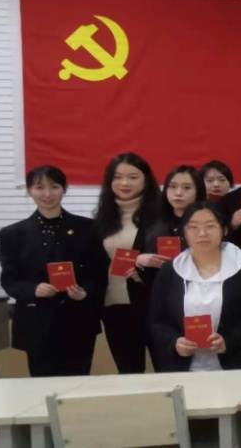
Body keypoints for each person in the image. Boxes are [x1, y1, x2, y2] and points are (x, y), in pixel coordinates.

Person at [0, 166, 107, 377]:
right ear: (29, 191)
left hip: (78, 322)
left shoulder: (88, 228)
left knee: (78, 384)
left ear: (64, 188)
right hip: (37, 324)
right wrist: (33, 289)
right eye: (39, 187)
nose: (47, 194)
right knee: (43, 384)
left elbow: (100, 272)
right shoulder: (12, 234)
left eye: (54, 187)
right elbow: (9, 280)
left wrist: (85, 291)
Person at [149, 201, 241, 372]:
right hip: (182, 367)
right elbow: (157, 320)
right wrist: (174, 342)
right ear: (184, 233)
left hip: (238, 365)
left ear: (224, 229)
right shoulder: (171, 270)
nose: (202, 233)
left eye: (210, 226)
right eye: (193, 227)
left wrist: (230, 340)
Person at [130, 165, 205, 369]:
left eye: (186, 188)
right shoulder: (152, 221)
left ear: (198, 191)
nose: (178, 193)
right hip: (158, 306)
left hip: (199, 303)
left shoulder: (206, 222)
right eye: (172, 187)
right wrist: (140, 261)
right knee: (164, 367)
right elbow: (134, 258)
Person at [93, 152, 159, 374]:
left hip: (153, 304)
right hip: (115, 307)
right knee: (129, 373)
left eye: (133, 177)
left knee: (166, 371)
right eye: (118, 177)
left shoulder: (160, 217)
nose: (124, 183)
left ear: (146, 180)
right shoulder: (102, 220)